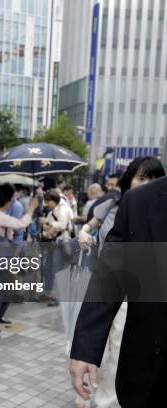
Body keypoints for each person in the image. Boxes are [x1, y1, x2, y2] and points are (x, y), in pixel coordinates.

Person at [72, 156, 165, 408]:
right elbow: (110, 275)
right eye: (141, 178)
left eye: (152, 178)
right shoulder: (132, 203)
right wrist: (85, 348)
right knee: (114, 353)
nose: (146, 183)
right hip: (143, 338)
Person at [0, 184, 38, 339]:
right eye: (12, 198)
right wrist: (31, 209)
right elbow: (20, 225)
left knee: (4, 294)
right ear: (8, 200)